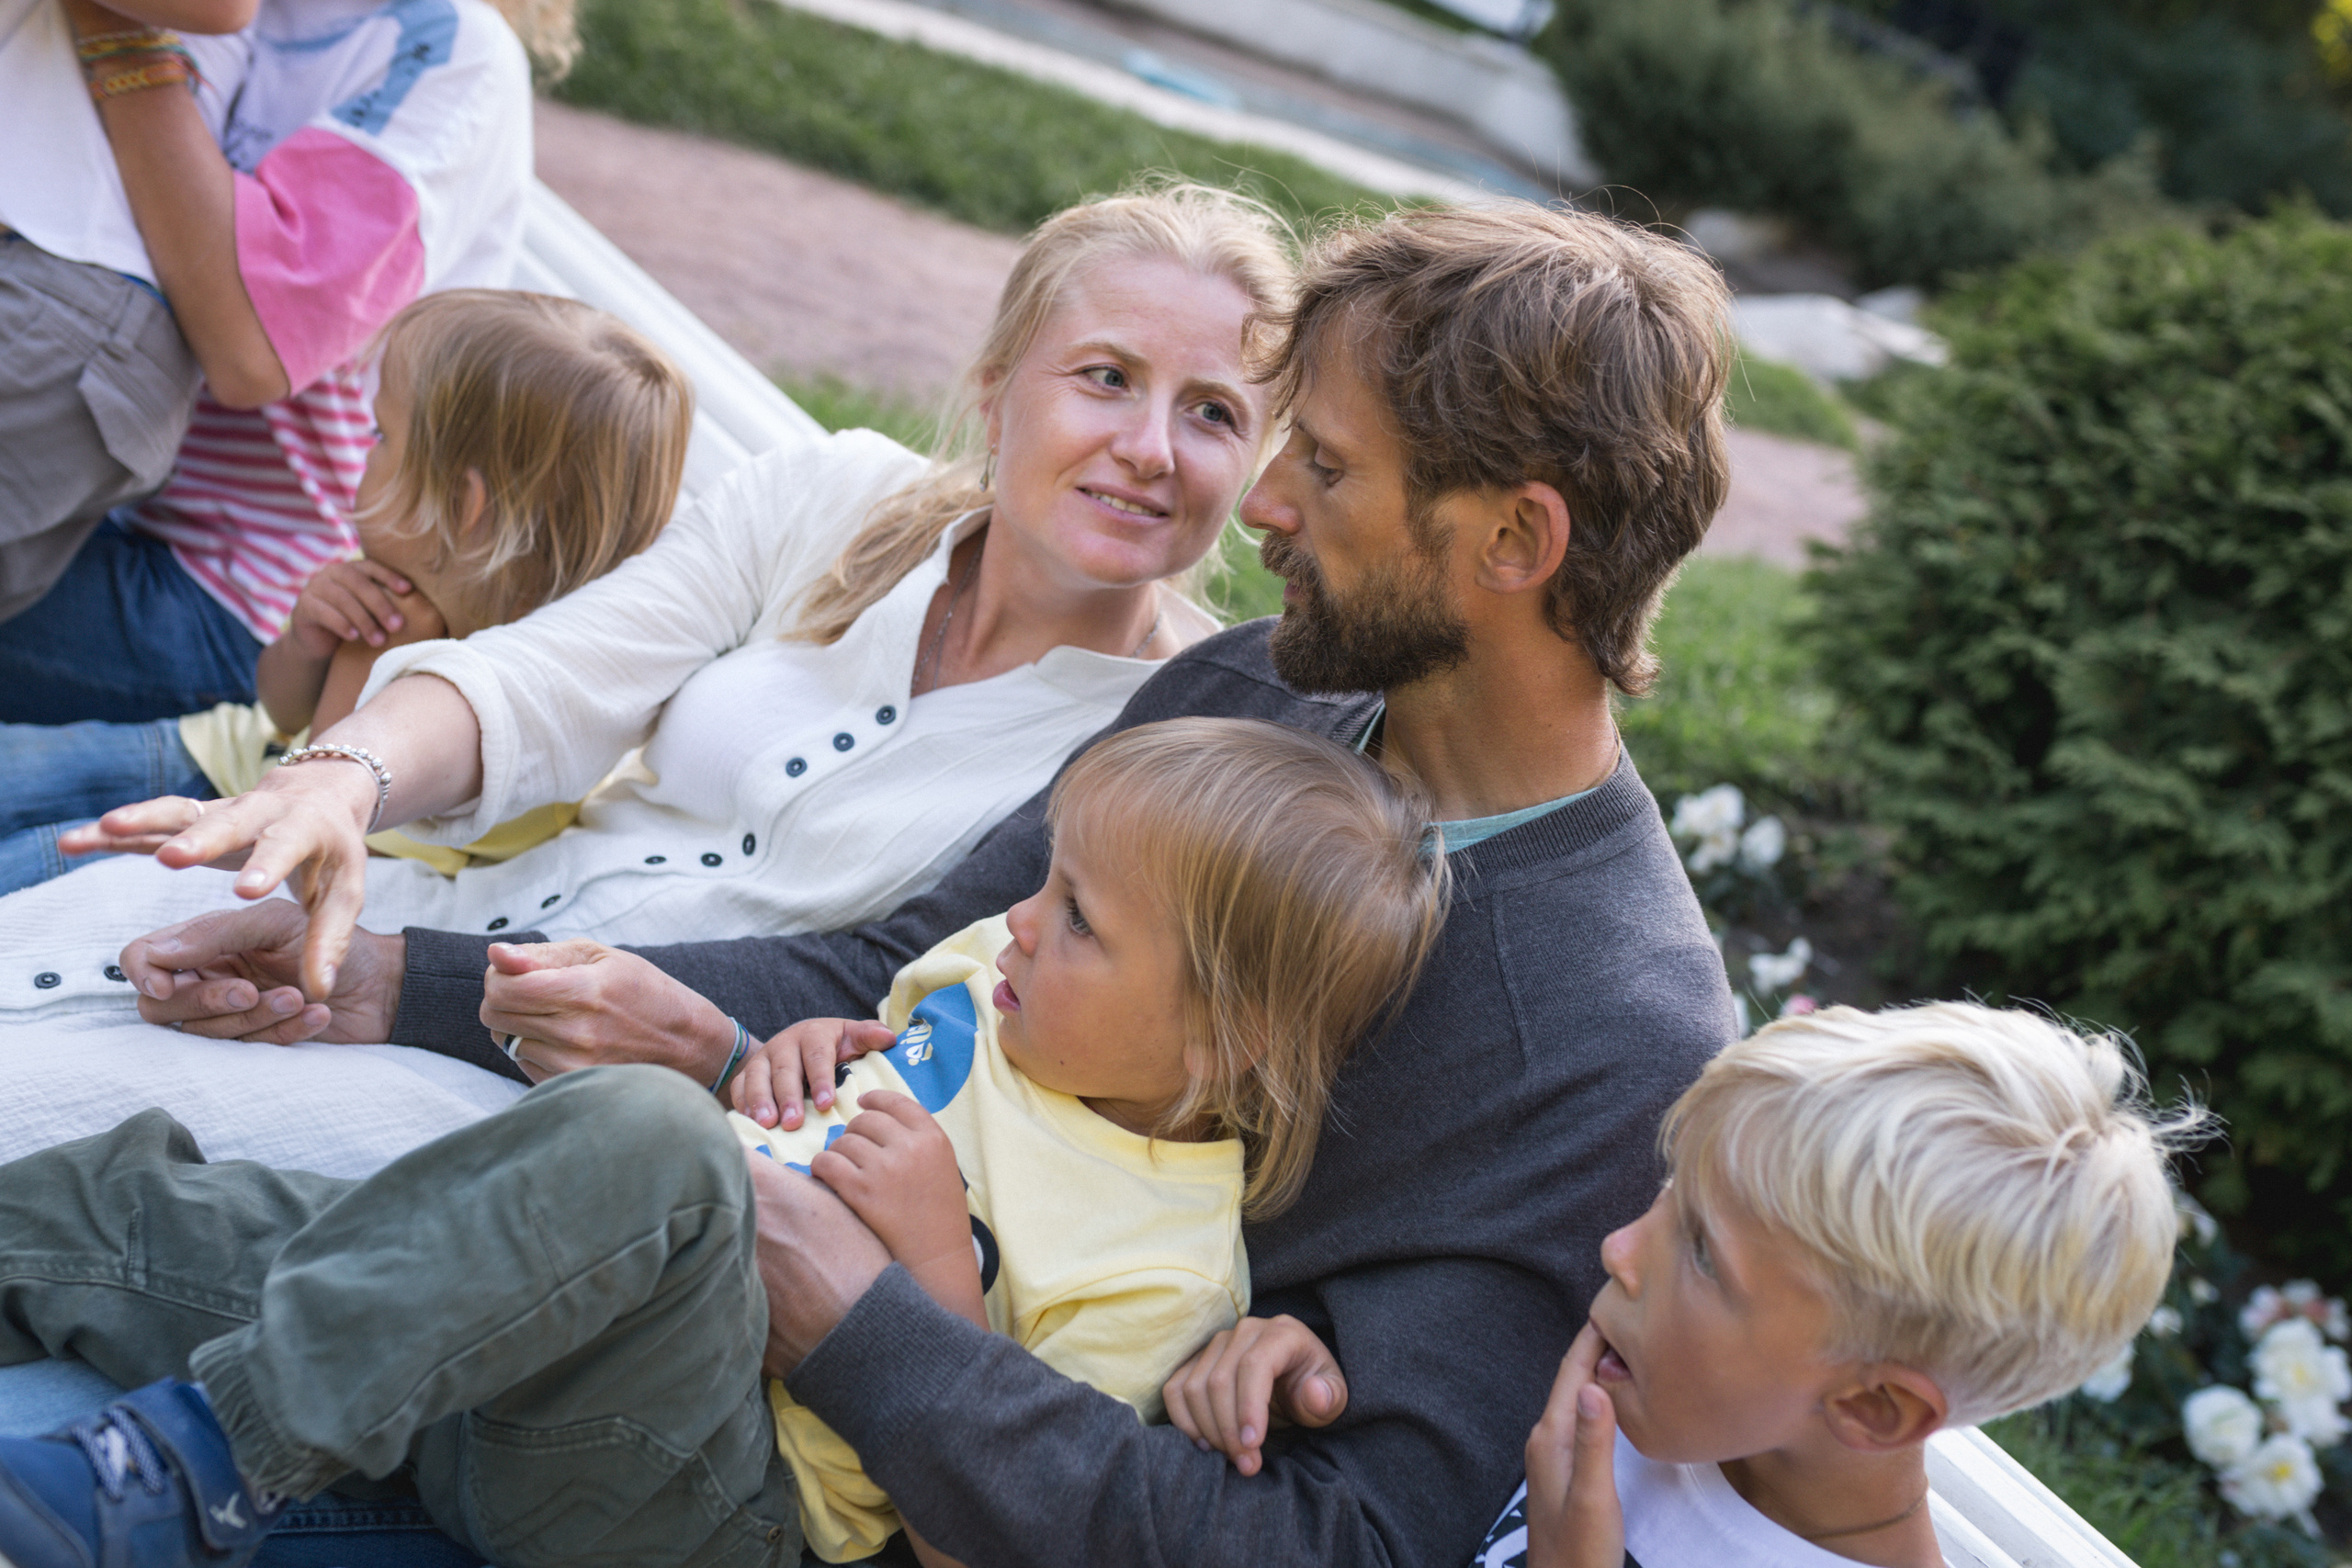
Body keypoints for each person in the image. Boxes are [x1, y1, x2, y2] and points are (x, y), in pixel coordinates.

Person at [104, 201, 1746, 1566]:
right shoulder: (1262, 690)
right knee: (127, 1221)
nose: (1261, 505)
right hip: (668, 1304)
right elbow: (889, 963)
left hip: (776, 1502)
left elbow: (1341, 1539)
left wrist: (861, 1329)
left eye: (1324, 464)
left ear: (1516, 541)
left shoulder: (1605, 1034)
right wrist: (392, 976)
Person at [0, 716, 1449, 1568]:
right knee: (149, 1201)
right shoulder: (985, 987)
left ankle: (199, 1463)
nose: (1019, 917)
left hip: (717, 1498)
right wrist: (782, 1055)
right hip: (547, 1344)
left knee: (645, 1134)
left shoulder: (1161, 1269)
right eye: (1048, 877)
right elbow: (809, 1099)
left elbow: (979, 1537)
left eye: (1078, 917)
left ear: (1225, 1039)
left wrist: (934, 1275)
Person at [1, 184, 1291, 1112]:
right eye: (1106, 377)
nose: (1150, 449)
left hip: (563, 1091)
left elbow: (891, 990)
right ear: (1000, 387)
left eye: (1212, 413)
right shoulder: (838, 495)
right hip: (416, 910)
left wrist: (419, 985)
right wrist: (342, 776)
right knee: (78, 934)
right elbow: (555, 673)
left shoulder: (1174, 736)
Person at [1170, 1001, 2204, 1568]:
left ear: (1873, 1407)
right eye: (1671, 1192)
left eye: (1702, 1252)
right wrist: (1315, 1367)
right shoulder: (1650, 1390)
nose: (1622, 1245)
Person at [0, 288, 695, 896]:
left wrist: (368, 655)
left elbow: (312, 806)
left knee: (38, 865)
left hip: (259, 851)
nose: (364, 451)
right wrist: (307, 640)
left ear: (463, 506)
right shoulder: (405, 569)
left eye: (380, 435)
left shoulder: (520, 697)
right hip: (212, 750)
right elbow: (277, 707)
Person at [0, 0, 563, 719]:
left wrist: (116, 28)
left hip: (250, 604)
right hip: (109, 494)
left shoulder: (450, 48)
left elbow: (252, 350)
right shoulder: (263, 14)